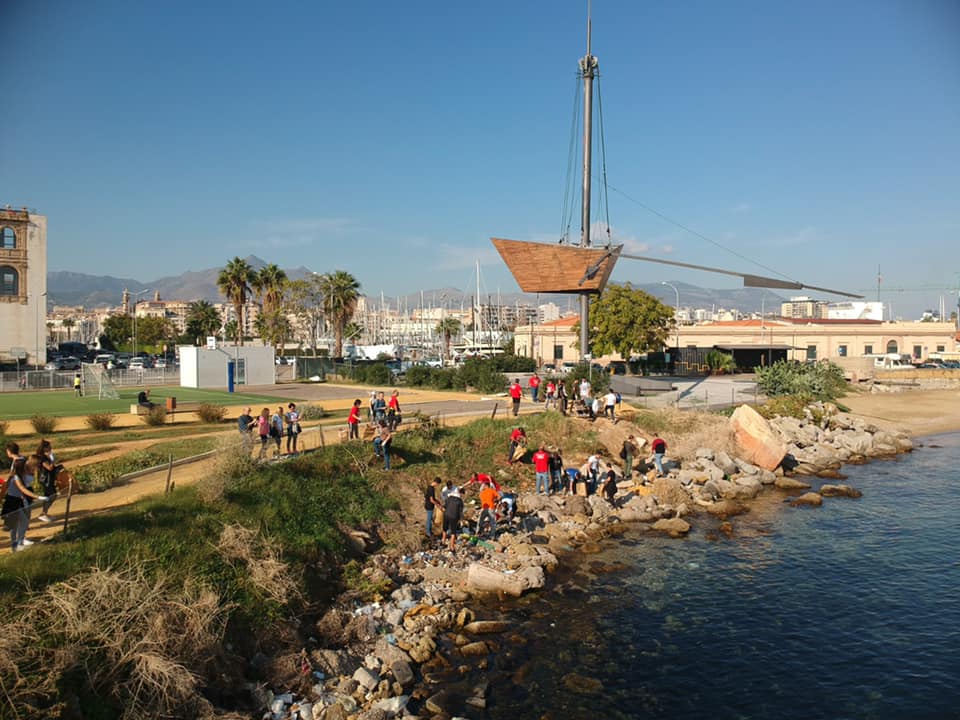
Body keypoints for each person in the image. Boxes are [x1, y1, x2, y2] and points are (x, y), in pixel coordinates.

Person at [3, 444, 45, 552]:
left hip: (18, 497)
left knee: (22, 520)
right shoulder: (19, 469)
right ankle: (17, 543)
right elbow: (21, 487)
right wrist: (38, 496)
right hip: (15, 498)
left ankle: (18, 543)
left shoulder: (19, 466)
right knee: (19, 521)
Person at [35, 439, 60, 522]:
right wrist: (52, 460)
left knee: (51, 495)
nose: (51, 447)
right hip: (46, 480)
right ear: (45, 448)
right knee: (51, 496)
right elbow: (49, 467)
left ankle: (44, 513)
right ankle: (43, 514)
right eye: (49, 446)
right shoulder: (43, 457)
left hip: (49, 479)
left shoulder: (46, 456)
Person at [442, 486, 464, 552]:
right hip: (454, 516)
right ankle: (452, 547)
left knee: (445, 529)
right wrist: (461, 520)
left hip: (446, 515)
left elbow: (444, 506)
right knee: (453, 532)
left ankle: (443, 542)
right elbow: (460, 512)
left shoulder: (449, 497)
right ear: (461, 494)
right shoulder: (460, 501)